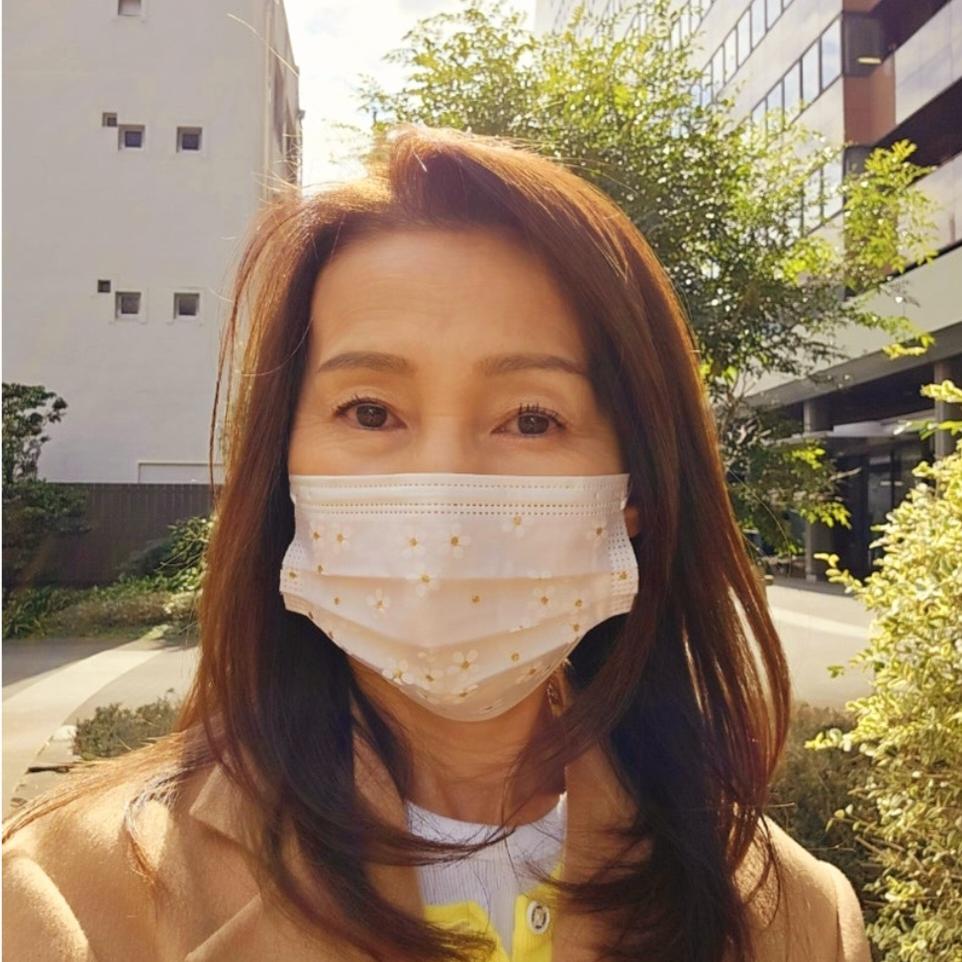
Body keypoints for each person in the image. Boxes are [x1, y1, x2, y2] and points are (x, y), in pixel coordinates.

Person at [2, 124, 872, 962]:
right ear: (284, 463)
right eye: (370, 412)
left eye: (531, 419)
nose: (444, 488)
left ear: (635, 489)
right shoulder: (64, 900)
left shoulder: (799, 919)